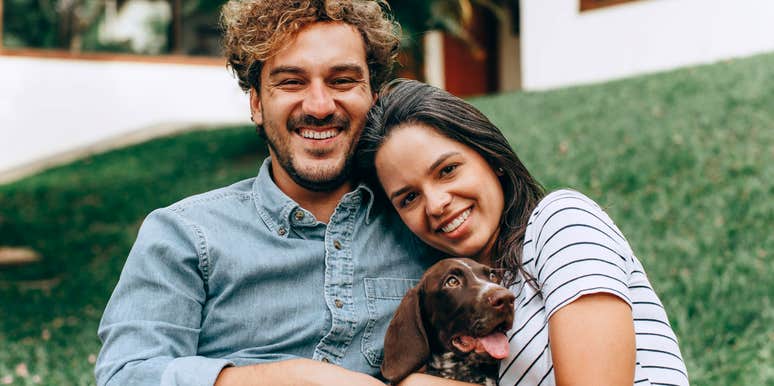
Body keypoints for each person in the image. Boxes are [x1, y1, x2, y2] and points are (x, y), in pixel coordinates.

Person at [95, 2, 439, 386]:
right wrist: (291, 378)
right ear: (257, 104)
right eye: (291, 82)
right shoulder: (184, 236)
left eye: (342, 80)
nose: (319, 106)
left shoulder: (424, 226)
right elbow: (125, 374)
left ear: (373, 98)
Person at [356, 79, 690, 386]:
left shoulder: (560, 221)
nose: (436, 204)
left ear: (492, 158)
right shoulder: (474, 317)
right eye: (409, 198)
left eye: (448, 170)